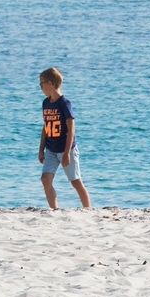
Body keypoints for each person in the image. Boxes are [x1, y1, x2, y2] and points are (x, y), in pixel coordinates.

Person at [38, 67, 91, 210]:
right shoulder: (45, 103)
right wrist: (41, 149)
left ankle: (88, 209)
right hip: (51, 149)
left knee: (75, 182)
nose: (40, 87)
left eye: (41, 84)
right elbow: (46, 126)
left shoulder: (64, 103)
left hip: (66, 149)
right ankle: (54, 210)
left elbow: (71, 128)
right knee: (45, 179)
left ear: (50, 83)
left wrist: (67, 153)